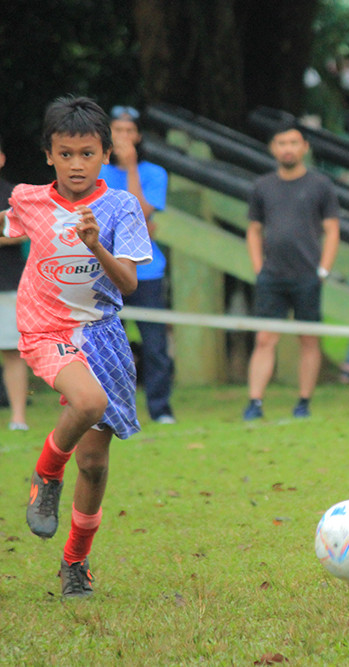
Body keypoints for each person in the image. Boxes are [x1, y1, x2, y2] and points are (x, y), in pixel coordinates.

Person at [0, 96, 152, 597]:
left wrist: (95, 245)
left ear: (104, 154)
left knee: (94, 463)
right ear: (49, 155)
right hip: (46, 330)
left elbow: (128, 283)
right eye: (66, 154)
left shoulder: (120, 207)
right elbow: (7, 228)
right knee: (88, 402)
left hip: (103, 337)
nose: (76, 164)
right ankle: (46, 475)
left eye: (86, 153)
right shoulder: (29, 200)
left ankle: (75, 564)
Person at [243, 124, 340, 421]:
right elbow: (254, 230)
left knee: (309, 340)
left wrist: (322, 270)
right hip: (272, 276)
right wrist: (259, 268)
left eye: (294, 142)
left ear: (305, 147)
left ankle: (303, 403)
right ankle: (255, 403)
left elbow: (332, 230)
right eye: (282, 142)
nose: (288, 148)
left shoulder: (321, 185)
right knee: (264, 339)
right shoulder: (262, 186)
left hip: (308, 276)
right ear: (273, 148)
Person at [99, 105, 175, 424]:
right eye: (118, 131)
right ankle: (112, 409)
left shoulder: (154, 173)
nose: (124, 138)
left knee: (155, 344)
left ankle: (160, 408)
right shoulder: (96, 172)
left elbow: (140, 212)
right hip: (105, 272)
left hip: (147, 271)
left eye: (130, 132)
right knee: (108, 345)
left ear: (139, 136)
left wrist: (131, 169)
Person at [0, 134, 30, 431]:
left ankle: (18, 416)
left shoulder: (13, 196)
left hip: (7, 285)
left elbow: (22, 232)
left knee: (12, 351)